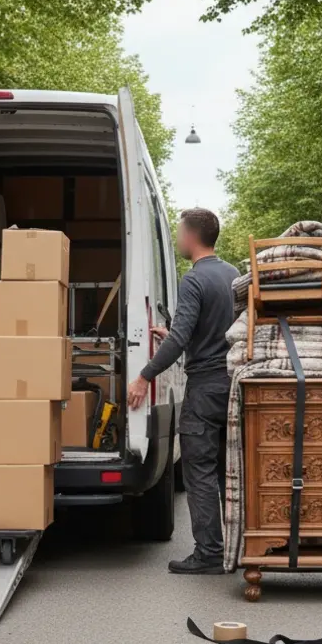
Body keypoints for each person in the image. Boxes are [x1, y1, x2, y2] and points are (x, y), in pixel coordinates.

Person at [127, 208, 239, 575]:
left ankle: (208, 554)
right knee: (228, 472)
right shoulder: (232, 275)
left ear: (192, 236)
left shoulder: (193, 281)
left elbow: (181, 338)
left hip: (205, 389)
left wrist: (144, 375)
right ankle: (234, 550)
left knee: (199, 472)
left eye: (179, 232)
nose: (177, 238)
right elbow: (216, 329)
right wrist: (177, 334)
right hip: (231, 385)